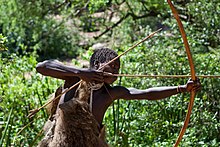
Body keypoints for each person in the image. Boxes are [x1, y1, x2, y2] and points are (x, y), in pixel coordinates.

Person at [36, 47, 201, 146]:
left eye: (118, 68)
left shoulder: (110, 93)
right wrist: (80, 72)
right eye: (112, 65)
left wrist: (181, 88)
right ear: (96, 65)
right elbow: (41, 67)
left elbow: (148, 93)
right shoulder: (73, 78)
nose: (115, 71)